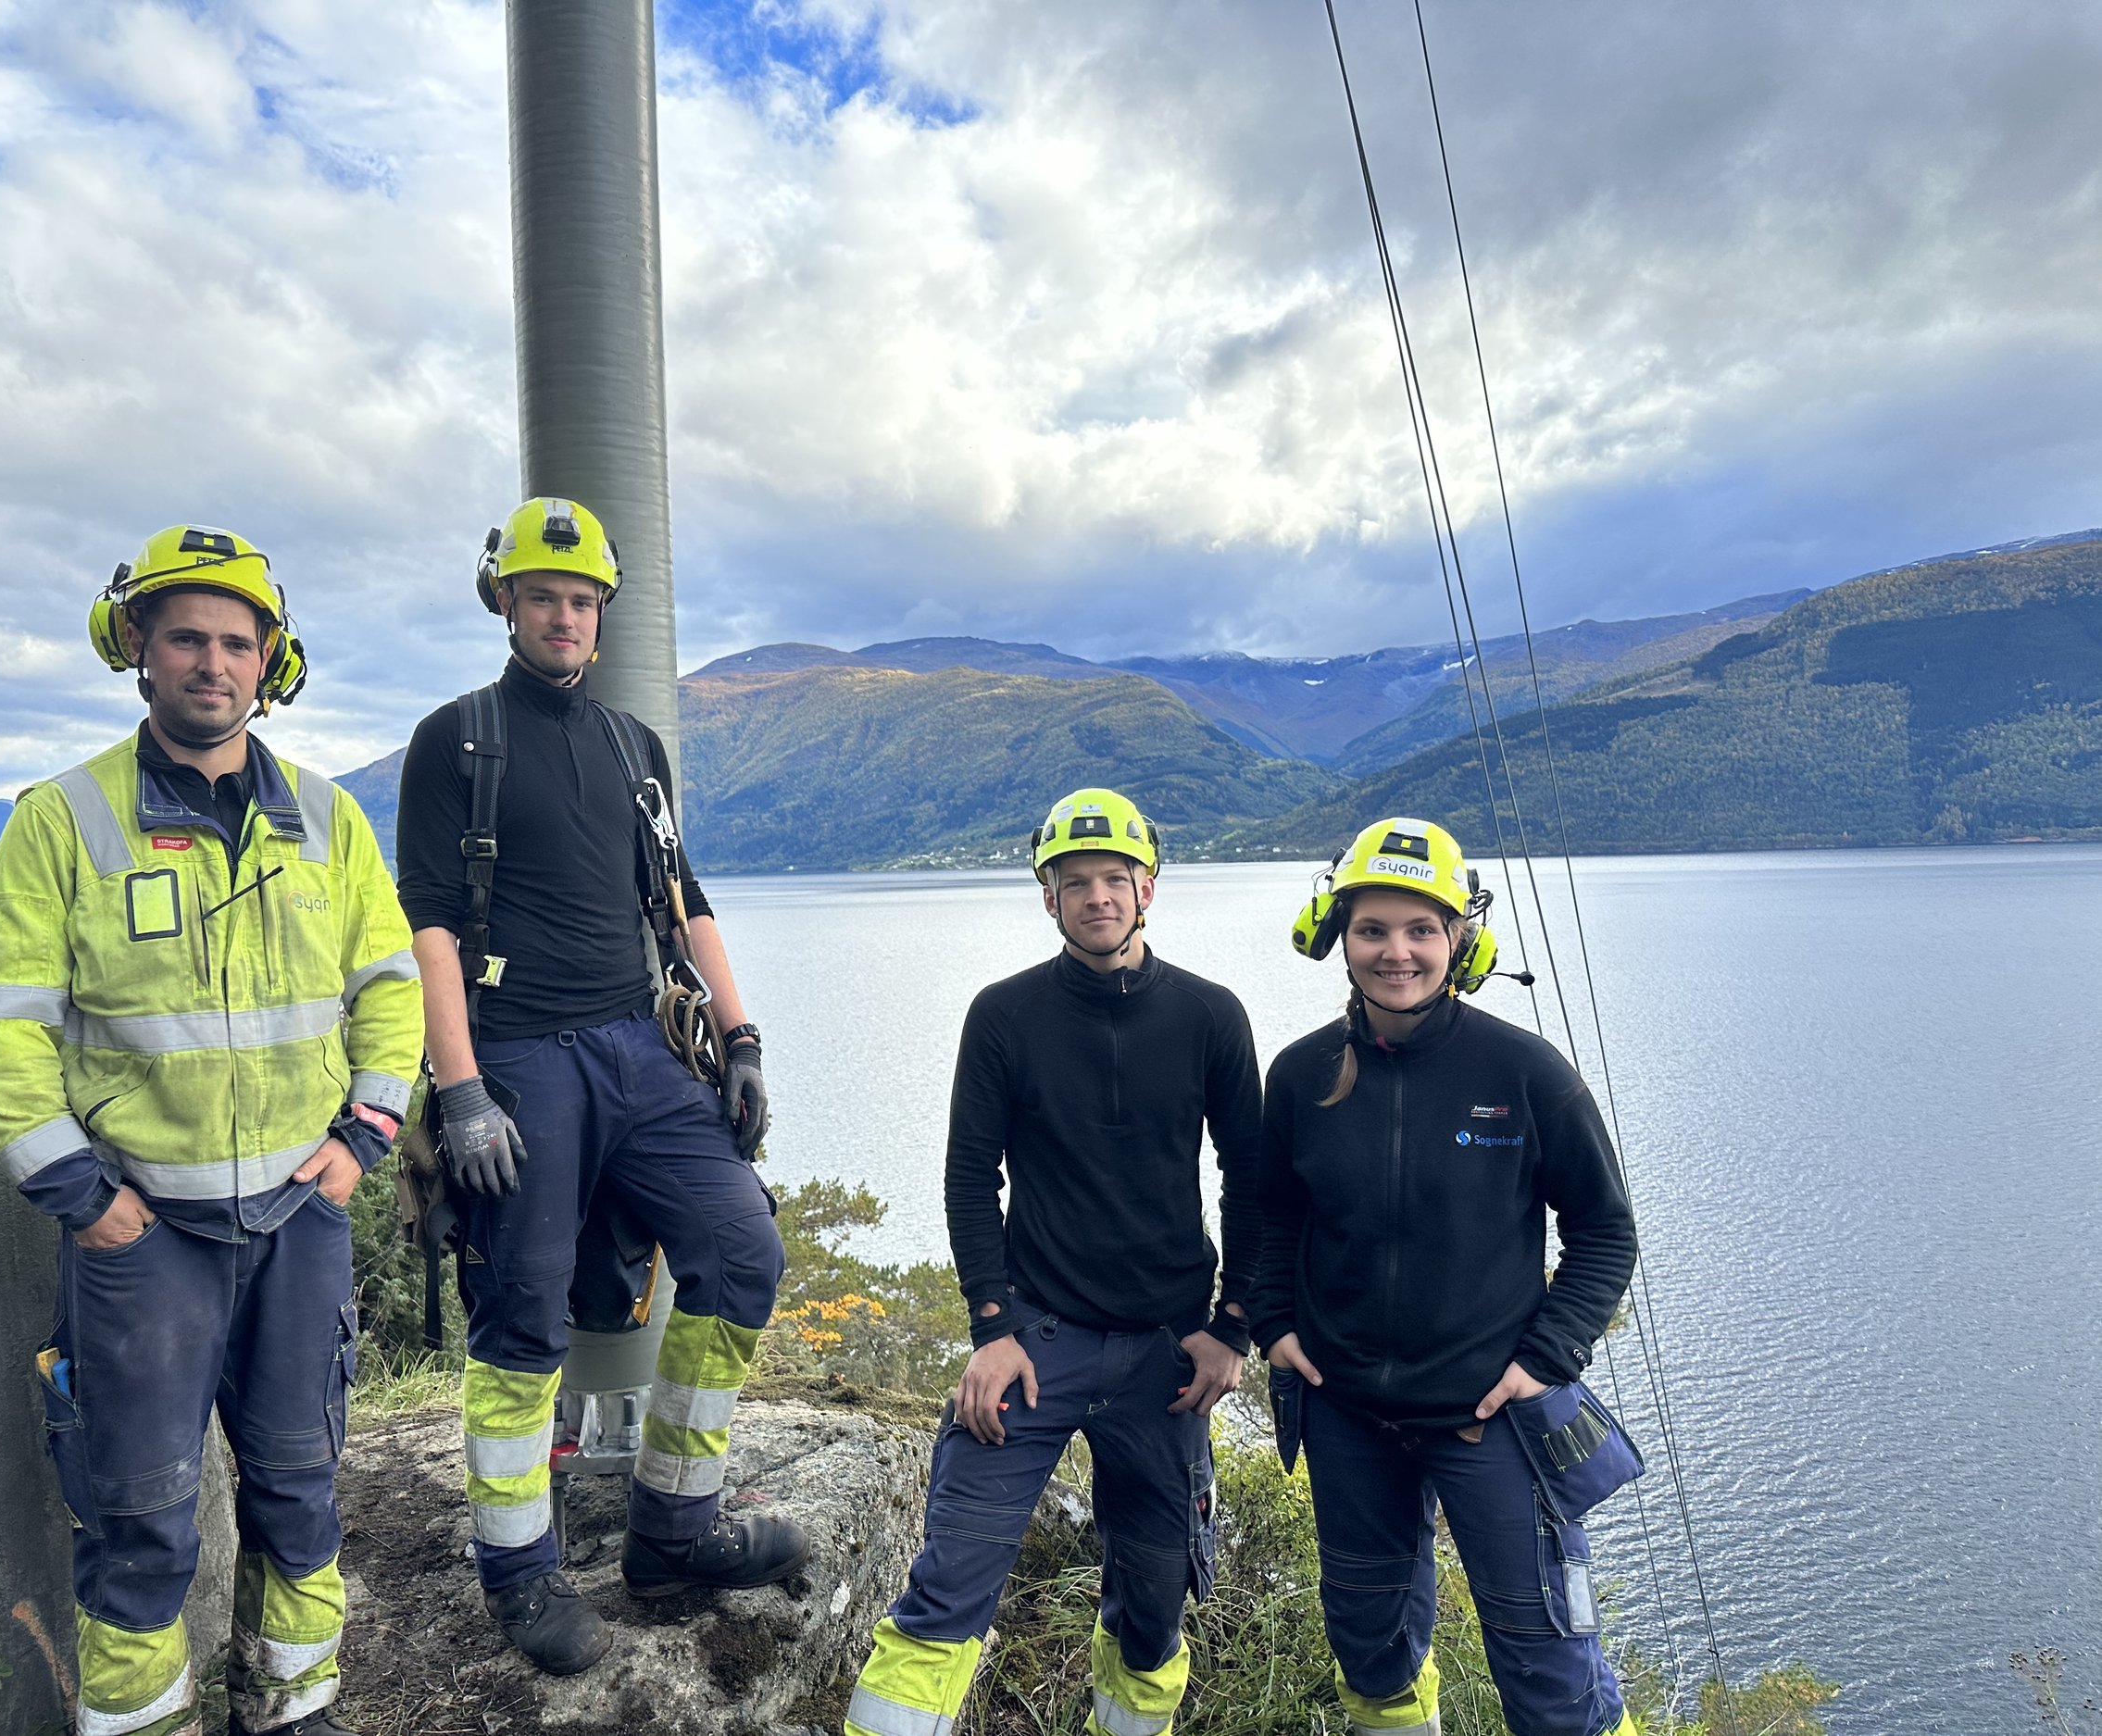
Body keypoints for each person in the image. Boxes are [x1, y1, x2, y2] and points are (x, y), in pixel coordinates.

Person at [0, 526, 422, 1736]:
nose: (212, 662)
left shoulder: (327, 819)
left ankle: (293, 1714)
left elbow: (390, 986)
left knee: (301, 1498)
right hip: (141, 1232)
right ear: (139, 652)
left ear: (272, 661)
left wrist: (361, 1136)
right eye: (186, 637)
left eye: (236, 641)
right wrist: (82, 1195)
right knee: (142, 1520)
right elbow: (2, 1026)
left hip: (296, 1220)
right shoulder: (62, 820)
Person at [394, 495, 802, 1678]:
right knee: (522, 1313)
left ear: (601, 614)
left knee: (741, 1256)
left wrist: (741, 1036)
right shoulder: (456, 739)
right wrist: (461, 1088)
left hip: (636, 1045)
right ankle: (518, 1571)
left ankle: (673, 1533)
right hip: (517, 1051)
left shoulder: (634, 747)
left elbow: (686, 900)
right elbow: (426, 924)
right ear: (504, 604)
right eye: (542, 597)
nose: (564, 616)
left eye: (582, 601)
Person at [844, 788, 1261, 1736]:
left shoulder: (1208, 1016)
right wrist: (989, 1329)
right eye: (1075, 883)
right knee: (949, 1583)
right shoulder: (1005, 1015)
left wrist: (1230, 1330)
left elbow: (1254, 1183)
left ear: (1147, 888)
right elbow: (966, 1179)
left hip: (1165, 1356)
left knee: (1153, 1612)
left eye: (1115, 879)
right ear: (1048, 898)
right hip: (1037, 1344)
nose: (1097, 897)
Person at [1249, 818, 1642, 1736]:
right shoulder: (1300, 1075)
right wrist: (1275, 1323)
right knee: (1369, 1645)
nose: (1396, 952)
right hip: (1346, 1414)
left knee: (1549, 1662)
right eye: (1373, 929)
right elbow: (1269, 1214)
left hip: (1488, 1418)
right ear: (1334, 935)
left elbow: (1603, 1230)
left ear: (1460, 940)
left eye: (1421, 929)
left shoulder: (1525, 1073)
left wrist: (1546, 1355)